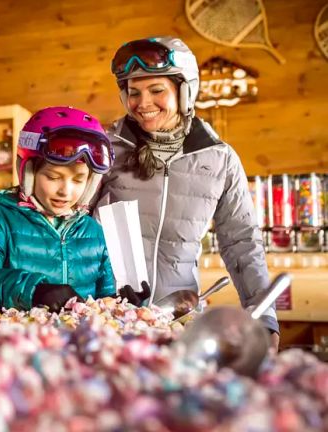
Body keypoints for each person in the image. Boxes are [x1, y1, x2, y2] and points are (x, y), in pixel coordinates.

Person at [92, 36, 279, 348]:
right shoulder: (106, 149)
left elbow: (242, 243)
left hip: (180, 323)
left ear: (185, 90)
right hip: (109, 322)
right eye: (133, 92)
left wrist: (265, 318)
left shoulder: (218, 158)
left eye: (156, 90)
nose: (143, 103)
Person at [0, 106, 150, 313]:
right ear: (29, 172)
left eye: (79, 180)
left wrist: (121, 303)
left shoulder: (93, 232)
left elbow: (102, 303)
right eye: (53, 177)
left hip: (75, 343)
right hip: (13, 340)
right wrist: (34, 291)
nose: (66, 191)